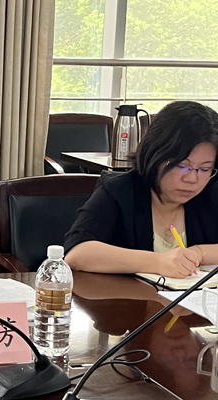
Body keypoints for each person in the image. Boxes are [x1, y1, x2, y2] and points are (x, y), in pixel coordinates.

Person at [65, 101, 218, 278]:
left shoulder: (211, 192)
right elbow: (77, 253)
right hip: (127, 295)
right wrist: (158, 262)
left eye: (205, 169)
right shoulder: (120, 190)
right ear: (155, 154)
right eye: (182, 166)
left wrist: (198, 253)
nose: (192, 179)